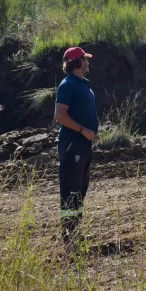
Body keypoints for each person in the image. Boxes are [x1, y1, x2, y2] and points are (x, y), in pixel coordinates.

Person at [54, 46, 99, 246]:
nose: (88, 63)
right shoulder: (67, 85)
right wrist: (83, 130)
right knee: (71, 190)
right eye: (85, 60)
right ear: (78, 63)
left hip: (83, 145)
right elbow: (59, 115)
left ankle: (75, 233)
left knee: (80, 190)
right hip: (72, 145)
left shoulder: (82, 84)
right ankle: (69, 237)